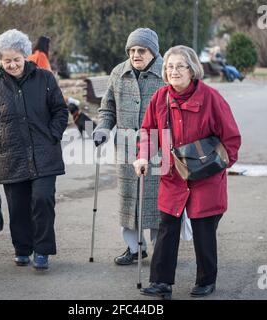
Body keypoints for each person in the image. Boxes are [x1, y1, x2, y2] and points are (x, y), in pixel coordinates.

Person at [134, 45, 241, 299]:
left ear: (192, 69)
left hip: (206, 177)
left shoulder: (212, 98)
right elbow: (148, 132)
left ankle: (206, 280)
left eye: (180, 66)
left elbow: (231, 138)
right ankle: (161, 283)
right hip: (173, 175)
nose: (174, 71)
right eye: (169, 67)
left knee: (204, 228)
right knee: (167, 226)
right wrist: (142, 156)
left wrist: (219, 165)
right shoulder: (160, 98)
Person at [0, 29, 69, 270]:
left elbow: (61, 110)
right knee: (17, 207)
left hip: (44, 154)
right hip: (12, 155)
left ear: (26, 56)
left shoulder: (45, 79)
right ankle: (22, 249)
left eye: (16, 59)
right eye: (6, 60)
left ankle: (42, 251)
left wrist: (52, 134)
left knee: (42, 200)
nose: (12, 64)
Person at [92, 28, 164, 265]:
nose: (136, 55)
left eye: (141, 50)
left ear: (152, 52)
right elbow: (107, 107)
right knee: (128, 200)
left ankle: (162, 249)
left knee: (155, 201)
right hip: (124, 147)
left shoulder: (165, 72)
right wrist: (103, 127)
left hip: (157, 147)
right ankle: (134, 248)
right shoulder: (118, 72)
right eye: (132, 50)